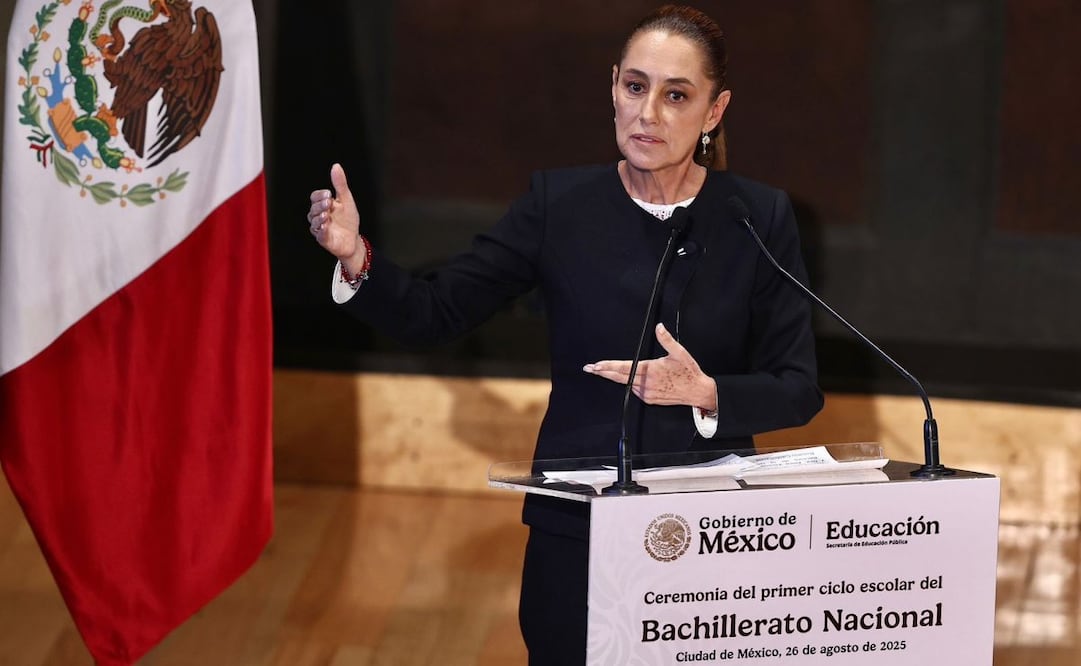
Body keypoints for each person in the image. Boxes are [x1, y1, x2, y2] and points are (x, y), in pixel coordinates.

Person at [305, 4, 823, 663]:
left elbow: (796, 387)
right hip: (576, 525)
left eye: (676, 96)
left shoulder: (756, 217)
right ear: (613, 87)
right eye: (634, 86)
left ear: (713, 111)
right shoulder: (560, 206)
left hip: (706, 530)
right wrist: (356, 256)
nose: (648, 113)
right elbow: (435, 313)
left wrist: (705, 392)